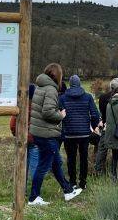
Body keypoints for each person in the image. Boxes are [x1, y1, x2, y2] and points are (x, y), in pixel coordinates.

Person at [28, 63, 82, 206]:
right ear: (57, 75)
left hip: (39, 131)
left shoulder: (40, 86)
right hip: (46, 133)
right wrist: (61, 115)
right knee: (44, 164)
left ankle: (68, 190)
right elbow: (47, 112)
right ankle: (34, 197)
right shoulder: (51, 89)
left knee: (56, 163)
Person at [59, 75, 100, 190]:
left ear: (70, 84)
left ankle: (72, 182)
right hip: (84, 133)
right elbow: (94, 113)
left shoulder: (62, 98)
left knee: (71, 158)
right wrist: (94, 126)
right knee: (83, 157)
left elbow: (60, 114)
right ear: (80, 83)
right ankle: (83, 182)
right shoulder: (87, 97)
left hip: (69, 132)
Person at [10, 84, 38, 190]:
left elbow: (12, 124)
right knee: (35, 168)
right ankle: (35, 192)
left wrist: (16, 134)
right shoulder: (37, 107)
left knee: (22, 167)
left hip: (22, 140)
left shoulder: (20, 107)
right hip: (35, 140)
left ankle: (22, 190)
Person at [94, 77, 118, 174]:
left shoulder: (103, 97)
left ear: (111, 87)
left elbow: (102, 112)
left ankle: (99, 170)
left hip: (106, 125)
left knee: (102, 149)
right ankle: (116, 171)